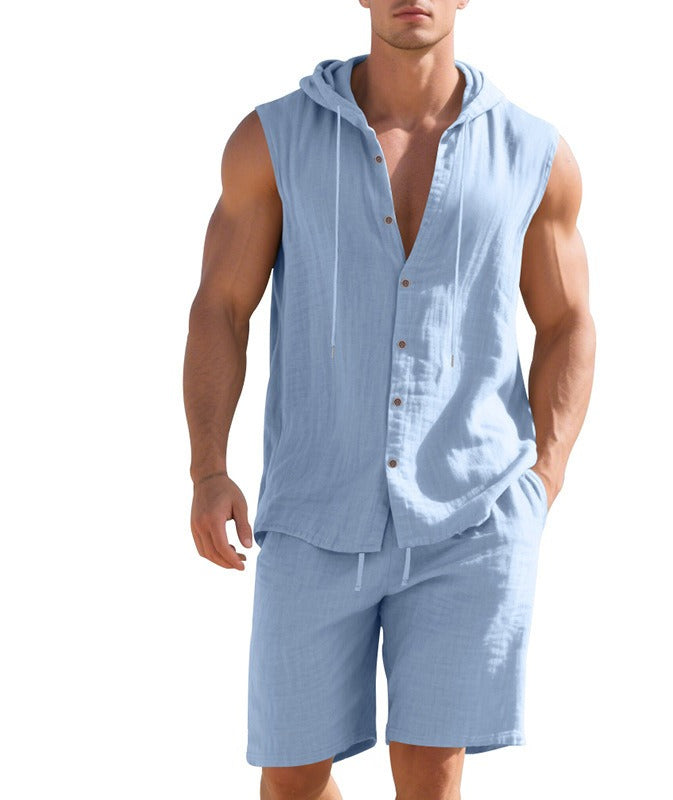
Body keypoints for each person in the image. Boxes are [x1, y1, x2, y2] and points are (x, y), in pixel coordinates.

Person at [183, 2, 594, 797]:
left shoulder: (534, 153)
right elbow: (221, 307)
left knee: (431, 779)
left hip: (470, 517)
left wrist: (544, 477)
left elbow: (569, 319)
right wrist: (207, 469)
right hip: (313, 510)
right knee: (291, 779)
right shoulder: (273, 140)